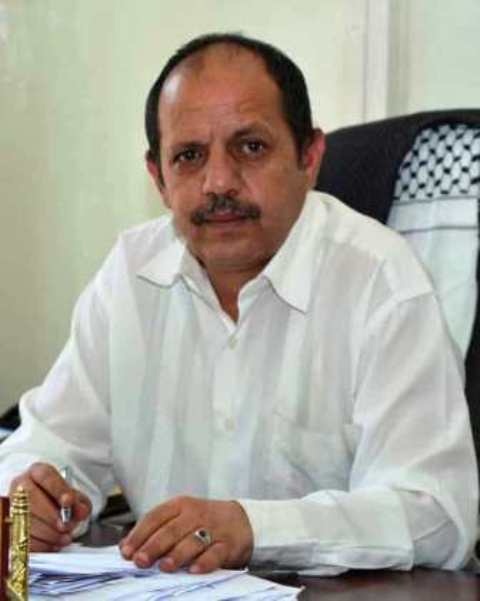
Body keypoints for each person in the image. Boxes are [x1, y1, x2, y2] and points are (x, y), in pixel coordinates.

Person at [0, 32, 477, 576]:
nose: (218, 182)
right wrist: (33, 493)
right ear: (159, 178)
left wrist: (254, 528)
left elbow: (436, 516)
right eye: (189, 156)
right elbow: (44, 445)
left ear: (309, 157)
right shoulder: (131, 274)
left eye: (250, 147)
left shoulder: (381, 280)